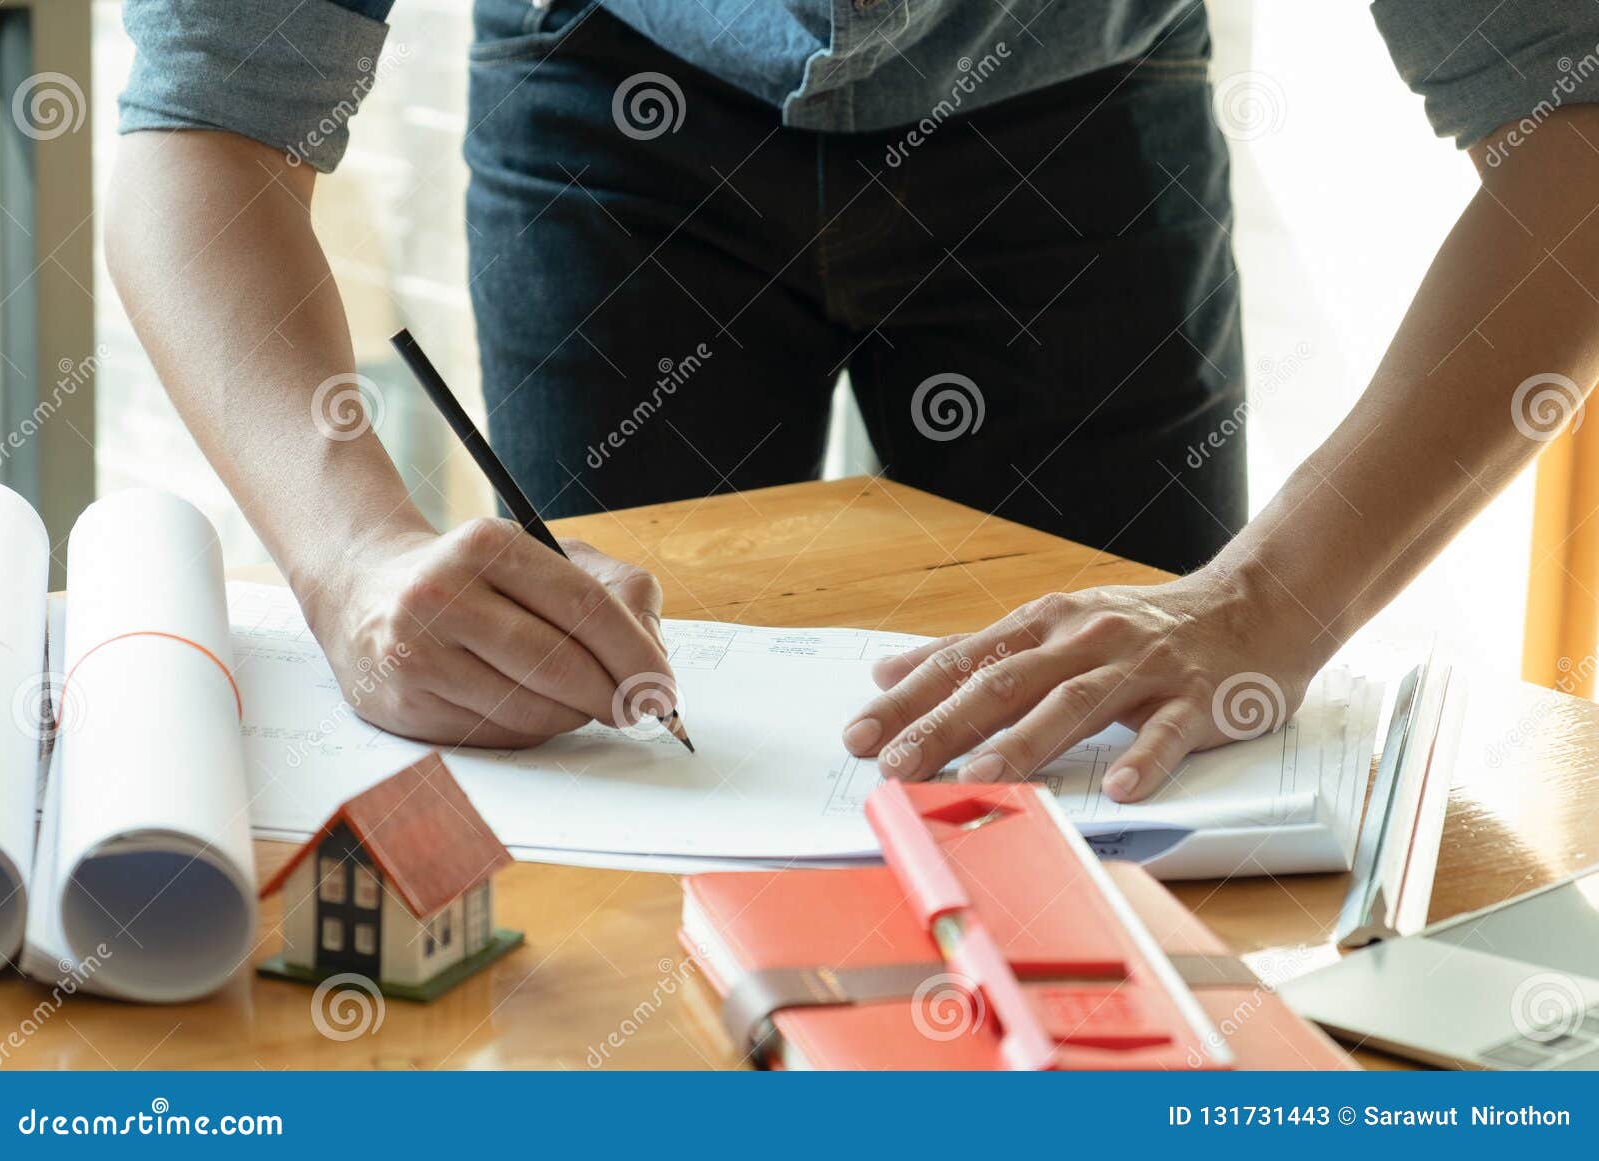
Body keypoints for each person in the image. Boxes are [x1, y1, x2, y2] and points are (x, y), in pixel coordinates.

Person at [108, 0, 1599, 800]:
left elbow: (1574, 127)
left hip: (1074, 86)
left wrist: (1275, 599)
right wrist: (351, 555)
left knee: (1133, 787)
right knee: (603, 759)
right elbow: (208, 118)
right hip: (614, 78)